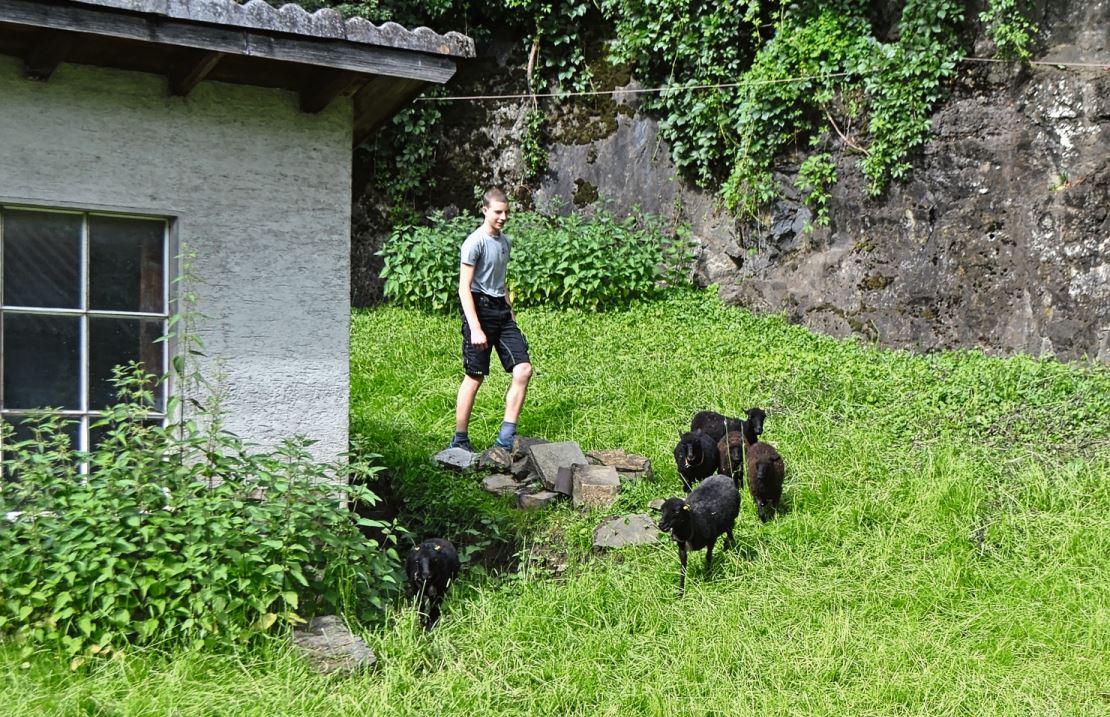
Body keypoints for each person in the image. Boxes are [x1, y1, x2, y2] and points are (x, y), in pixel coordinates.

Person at [448, 187, 533, 452]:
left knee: (524, 370)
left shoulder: (505, 242)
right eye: (498, 212)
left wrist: (511, 312)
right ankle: (460, 439)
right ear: (485, 210)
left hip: (502, 312)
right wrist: (475, 328)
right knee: (475, 377)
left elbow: (501, 281)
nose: (503, 216)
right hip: (479, 310)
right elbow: (464, 288)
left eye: (506, 211)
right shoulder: (475, 242)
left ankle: (506, 438)